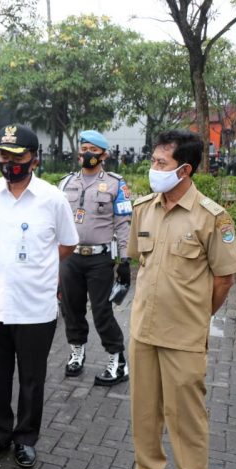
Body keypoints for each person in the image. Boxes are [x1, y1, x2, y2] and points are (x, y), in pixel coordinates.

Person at [114, 130, 236, 469]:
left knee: (187, 415)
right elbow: (141, 263)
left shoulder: (212, 216)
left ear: (184, 169)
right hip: (143, 329)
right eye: (153, 161)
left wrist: (197, 317)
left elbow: (224, 280)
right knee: (144, 408)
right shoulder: (144, 209)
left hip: (184, 334)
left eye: (161, 163)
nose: (153, 169)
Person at [0, 124, 78, 468]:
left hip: (35, 306)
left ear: (34, 159)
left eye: (18, 155)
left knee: (32, 378)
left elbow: (68, 243)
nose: (9, 161)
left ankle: (26, 438)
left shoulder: (52, 198)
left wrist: (35, 267)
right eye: (4, 154)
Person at [57, 130, 132, 385]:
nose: (86, 154)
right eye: (83, 148)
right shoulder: (66, 183)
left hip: (100, 259)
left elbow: (123, 223)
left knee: (102, 311)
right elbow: (56, 223)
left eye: (92, 150)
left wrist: (125, 260)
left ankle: (118, 360)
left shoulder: (115, 183)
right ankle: (77, 351)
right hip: (70, 257)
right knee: (71, 308)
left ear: (103, 155)